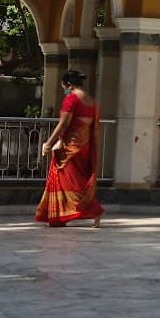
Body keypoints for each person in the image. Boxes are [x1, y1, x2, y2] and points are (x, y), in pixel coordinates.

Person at [35, 69, 103, 227]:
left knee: (70, 181)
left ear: (69, 85)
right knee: (73, 179)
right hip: (84, 146)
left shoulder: (71, 99)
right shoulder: (92, 101)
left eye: (63, 87)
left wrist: (49, 142)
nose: (64, 90)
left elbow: (64, 123)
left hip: (70, 148)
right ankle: (61, 216)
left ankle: (95, 209)